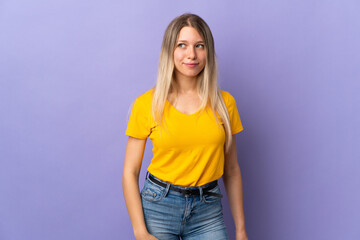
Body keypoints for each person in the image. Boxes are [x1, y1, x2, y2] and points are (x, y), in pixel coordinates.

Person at [122, 13, 248, 240]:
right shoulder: (147, 104)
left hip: (207, 209)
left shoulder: (224, 104)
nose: (192, 54)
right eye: (182, 45)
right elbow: (130, 172)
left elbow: (231, 170)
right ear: (170, 51)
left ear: (208, 51)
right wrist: (139, 231)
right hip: (159, 206)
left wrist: (241, 230)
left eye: (199, 46)